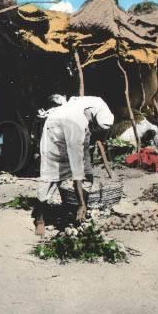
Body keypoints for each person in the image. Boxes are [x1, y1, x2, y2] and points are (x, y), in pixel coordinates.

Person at [34, 96, 114, 237]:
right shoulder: (76, 122)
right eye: (93, 123)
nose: (92, 125)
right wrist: (81, 203)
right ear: (90, 114)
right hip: (54, 137)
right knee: (50, 177)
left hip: (67, 129)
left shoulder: (96, 104)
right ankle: (40, 219)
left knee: (87, 171)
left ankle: (80, 209)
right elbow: (77, 169)